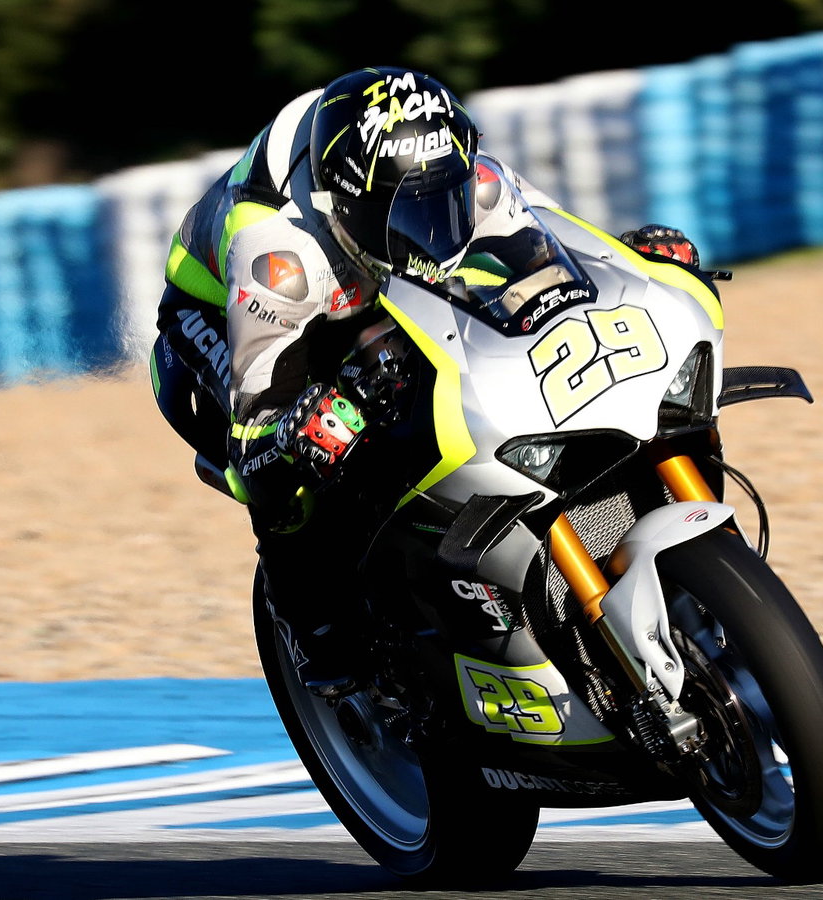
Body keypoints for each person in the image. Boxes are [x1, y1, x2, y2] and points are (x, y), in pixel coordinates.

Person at [149, 65, 702, 696]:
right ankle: (312, 628)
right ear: (346, 205)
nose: (436, 226)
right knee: (292, 475)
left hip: (361, 269)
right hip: (219, 319)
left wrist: (636, 260)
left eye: (444, 200)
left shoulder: (469, 175)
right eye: (410, 211)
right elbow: (256, 433)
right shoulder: (279, 258)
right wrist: (300, 427)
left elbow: (560, 252)